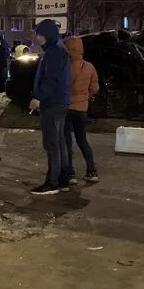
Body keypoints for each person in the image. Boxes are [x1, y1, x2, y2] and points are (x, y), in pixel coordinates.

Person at [30, 19, 71, 195]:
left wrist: (38, 98)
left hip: (52, 104)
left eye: (39, 34)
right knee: (59, 142)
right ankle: (63, 178)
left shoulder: (54, 53)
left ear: (46, 35)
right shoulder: (58, 50)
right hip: (59, 103)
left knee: (52, 144)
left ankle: (52, 182)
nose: (37, 38)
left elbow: (51, 80)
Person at [60, 36, 100, 185]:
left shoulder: (64, 66)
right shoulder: (89, 67)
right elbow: (95, 88)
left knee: (67, 142)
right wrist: (85, 97)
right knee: (82, 140)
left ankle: (70, 174)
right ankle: (91, 171)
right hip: (82, 109)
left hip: (66, 109)